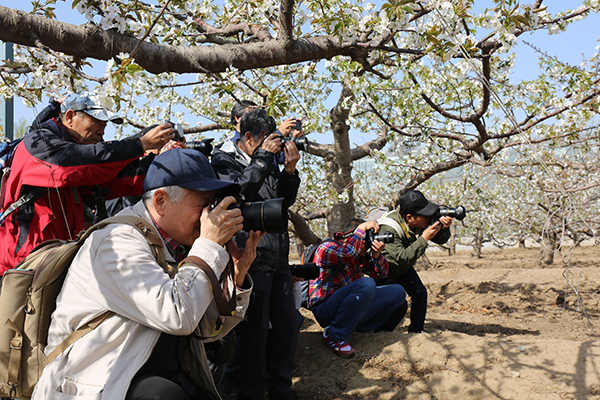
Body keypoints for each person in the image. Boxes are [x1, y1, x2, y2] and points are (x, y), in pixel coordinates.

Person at [31, 148, 263, 400]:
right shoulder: (117, 242)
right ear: (161, 201)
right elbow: (178, 316)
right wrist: (207, 247)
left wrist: (235, 277)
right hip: (92, 384)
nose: (210, 214)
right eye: (203, 203)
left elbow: (204, 329)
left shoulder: (170, 245)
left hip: (145, 376)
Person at [0, 91, 179, 275]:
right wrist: (140, 144)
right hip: (20, 264)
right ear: (70, 117)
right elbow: (85, 160)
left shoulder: (75, 157)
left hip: (54, 261)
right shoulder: (39, 144)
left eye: (105, 124)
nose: (102, 131)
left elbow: (118, 180)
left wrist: (166, 162)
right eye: (96, 122)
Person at [211, 108, 302, 400]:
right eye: (264, 140)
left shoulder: (266, 160)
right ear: (248, 137)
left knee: (287, 323)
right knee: (255, 329)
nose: (271, 145)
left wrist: (289, 172)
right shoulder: (224, 158)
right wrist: (263, 158)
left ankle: (281, 387)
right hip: (249, 255)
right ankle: (250, 391)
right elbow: (237, 193)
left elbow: (282, 202)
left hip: (278, 256)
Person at [308, 219, 407, 357]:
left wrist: (377, 255)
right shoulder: (327, 248)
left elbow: (382, 274)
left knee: (397, 292)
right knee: (366, 284)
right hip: (325, 310)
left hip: (347, 308)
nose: (368, 244)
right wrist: (362, 228)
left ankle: (361, 330)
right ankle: (335, 336)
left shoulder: (359, 256)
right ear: (352, 236)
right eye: (367, 239)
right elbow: (348, 253)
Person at [375, 190, 453, 333]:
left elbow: (441, 239)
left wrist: (443, 228)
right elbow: (399, 261)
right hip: (387, 269)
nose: (428, 218)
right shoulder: (389, 228)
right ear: (410, 217)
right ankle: (381, 334)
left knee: (420, 293)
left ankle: (416, 332)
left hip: (403, 265)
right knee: (399, 305)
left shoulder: (417, 222)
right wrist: (423, 239)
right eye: (425, 215)